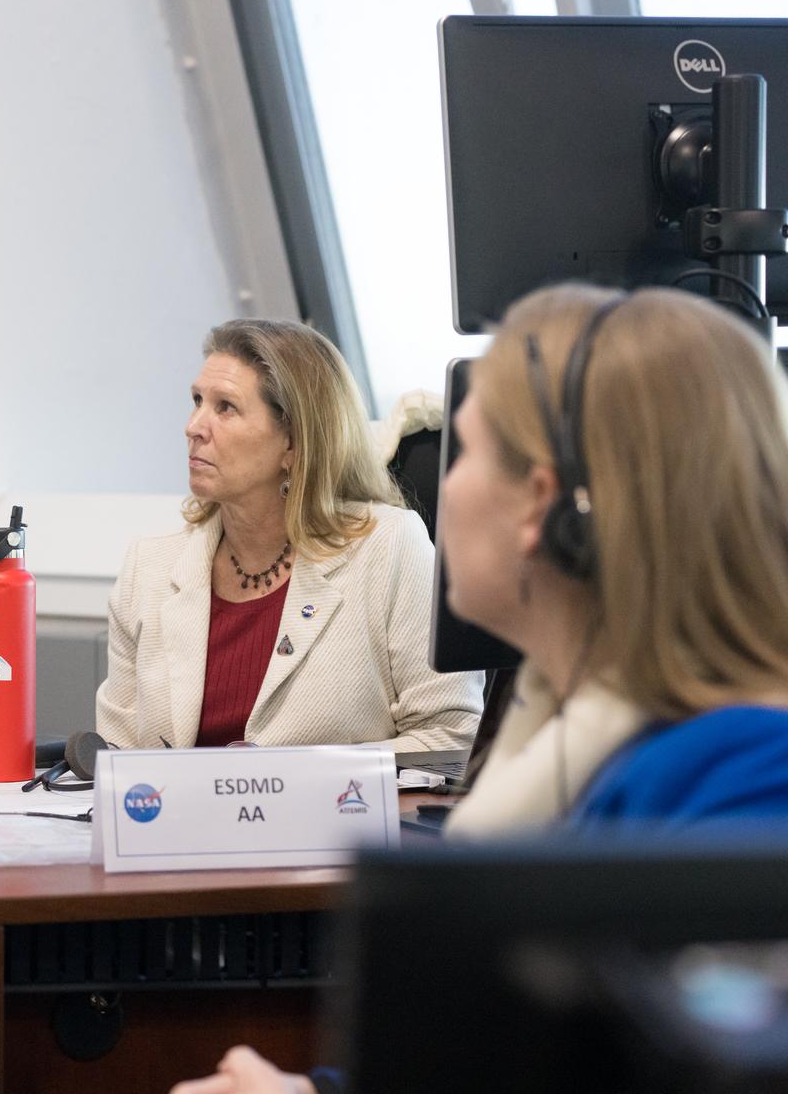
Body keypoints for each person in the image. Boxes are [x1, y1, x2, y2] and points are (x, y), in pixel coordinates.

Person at [169, 283, 788, 1093]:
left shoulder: (745, 784)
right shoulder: (575, 744)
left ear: (537, 505)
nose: (444, 487)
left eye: (464, 454)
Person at [96, 319, 483, 752]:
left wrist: (288, 780)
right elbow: (117, 758)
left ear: (294, 443)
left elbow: (451, 738)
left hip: (339, 819)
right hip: (178, 819)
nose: (194, 427)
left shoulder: (389, 548)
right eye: (197, 401)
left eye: (225, 407)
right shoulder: (147, 570)